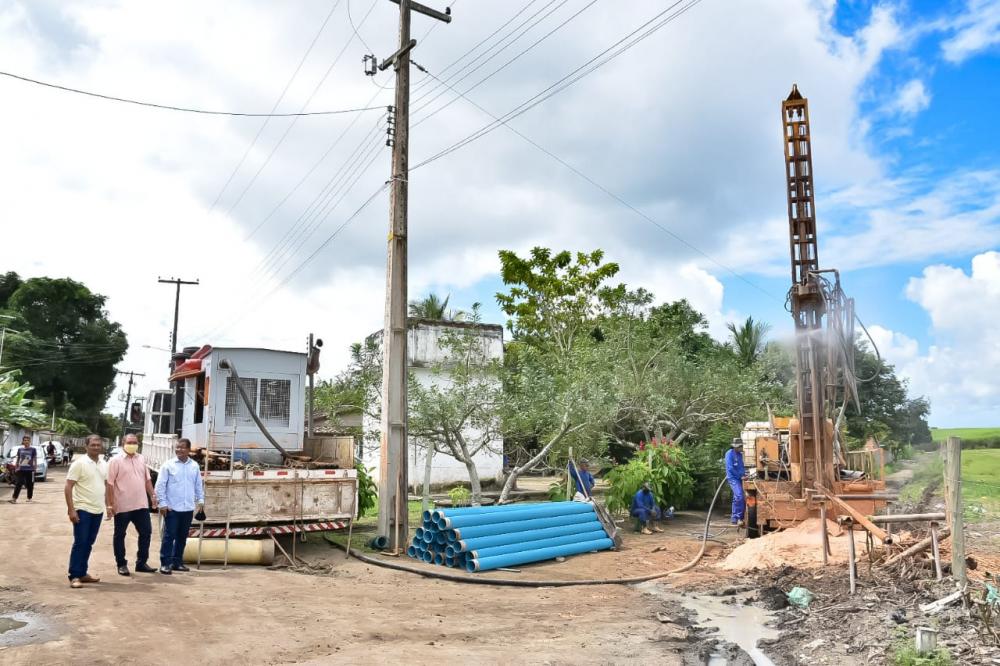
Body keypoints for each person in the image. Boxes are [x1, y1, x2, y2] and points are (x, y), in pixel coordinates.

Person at [107, 434, 158, 576]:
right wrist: (110, 504)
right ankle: (121, 564)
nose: (132, 444)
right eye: (129, 442)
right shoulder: (115, 461)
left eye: (135, 442)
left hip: (141, 504)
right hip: (122, 505)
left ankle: (141, 563)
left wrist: (153, 496)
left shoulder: (141, 458)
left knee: (146, 533)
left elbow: (147, 480)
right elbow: (110, 484)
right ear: (123, 443)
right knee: (120, 535)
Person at [65, 435, 110, 588]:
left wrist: (109, 506)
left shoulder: (104, 464)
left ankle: (83, 573)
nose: (96, 447)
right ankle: (75, 575)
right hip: (82, 509)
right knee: (80, 542)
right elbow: (68, 486)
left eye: (98, 445)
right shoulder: (80, 464)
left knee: (89, 543)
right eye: (93, 445)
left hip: (97, 510)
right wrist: (71, 510)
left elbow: (105, 486)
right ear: (86, 446)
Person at [154, 438, 204, 575]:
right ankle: (165, 563)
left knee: (182, 537)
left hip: (188, 508)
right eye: (177, 447)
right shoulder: (168, 465)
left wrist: (200, 501)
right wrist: (162, 504)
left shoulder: (194, 466)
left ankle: (177, 562)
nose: (179, 450)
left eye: (182, 447)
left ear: (188, 450)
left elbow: (198, 485)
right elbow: (160, 486)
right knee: (169, 536)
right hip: (172, 508)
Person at [725, 437, 746, 525]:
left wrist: (744, 474)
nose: (740, 448)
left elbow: (741, 467)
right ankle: (738, 517)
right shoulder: (729, 454)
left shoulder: (740, 455)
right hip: (733, 478)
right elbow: (730, 468)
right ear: (734, 446)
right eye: (739, 446)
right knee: (739, 496)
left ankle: (734, 518)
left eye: (741, 446)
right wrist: (740, 476)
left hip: (740, 478)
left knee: (737, 497)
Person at [9, 436, 37, 503]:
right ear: (23, 441)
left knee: (30, 484)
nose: (26, 441)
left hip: (30, 470)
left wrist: (35, 467)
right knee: (19, 483)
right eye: (25, 440)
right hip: (21, 469)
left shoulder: (33, 449)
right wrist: (16, 466)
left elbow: (34, 459)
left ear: (30, 441)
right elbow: (18, 458)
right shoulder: (20, 449)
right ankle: (14, 498)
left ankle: (29, 498)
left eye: (27, 440)